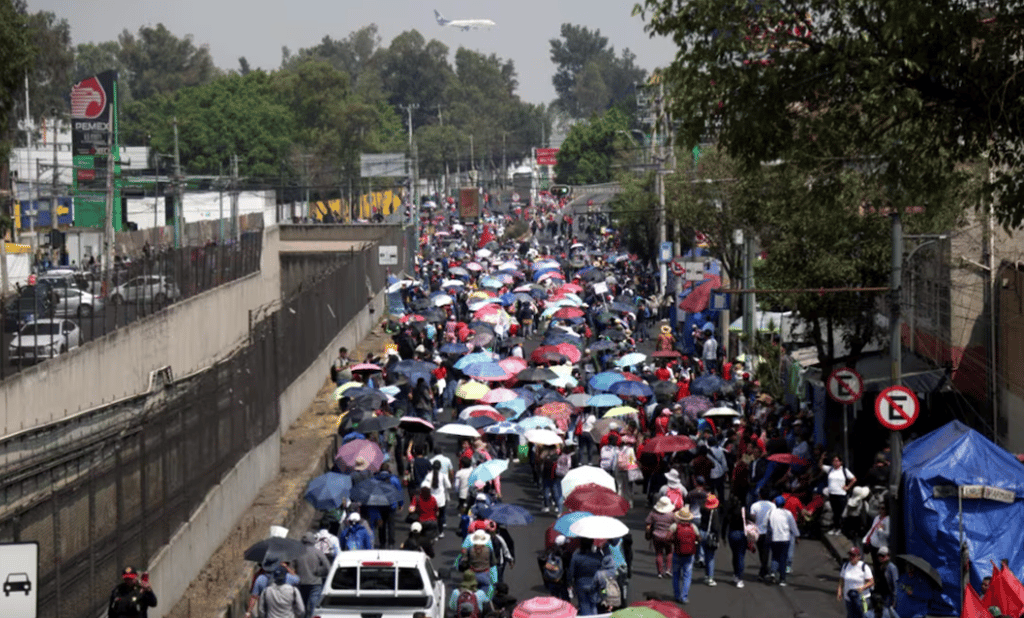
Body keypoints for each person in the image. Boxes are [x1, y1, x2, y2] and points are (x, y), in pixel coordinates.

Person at [295, 533, 331, 618]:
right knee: (313, 606)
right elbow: (327, 567)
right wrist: (320, 573)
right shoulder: (318, 552)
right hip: (315, 583)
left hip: (301, 583)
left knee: (302, 606)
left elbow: (291, 568)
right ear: (313, 541)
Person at [670, 506, 699, 604]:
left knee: (676, 576)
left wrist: (674, 541)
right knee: (687, 576)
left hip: (677, 553)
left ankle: (677, 595)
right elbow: (699, 538)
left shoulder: (675, 526)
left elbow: (667, 538)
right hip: (689, 554)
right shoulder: (693, 527)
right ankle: (684, 597)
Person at [767, 495, 799, 586]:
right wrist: (797, 535)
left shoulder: (771, 512)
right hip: (785, 539)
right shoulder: (788, 513)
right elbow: (793, 526)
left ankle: (773, 572)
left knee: (775, 556)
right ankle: (782, 579)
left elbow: (769, 525)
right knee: (783, 558)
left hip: (774, 538)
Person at [568, 537, 605, 616]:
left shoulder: (576, 556)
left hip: (580, 584)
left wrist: (570, 584)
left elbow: (571, 572)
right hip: (594, 584)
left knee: (584, 605)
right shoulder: (598, 556)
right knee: (593, 605)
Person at [823, 454, 856, 536]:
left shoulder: (844, 470)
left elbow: (853, 479)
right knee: (834, 512)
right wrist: (821, 458)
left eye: (837, 461)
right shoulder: (830, 469)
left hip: (841, 494)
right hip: (832, 494)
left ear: (841, 462)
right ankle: (835, 528)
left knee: (840, 512)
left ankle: (840, 529)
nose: (835, 462)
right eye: (834, 461)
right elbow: (820, 466)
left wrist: (848, 487)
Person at [645, 496, 677, 578]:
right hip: (668, 536)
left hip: (656, 536)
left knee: (659, 553)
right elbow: (676, 524)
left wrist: (648, 533)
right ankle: (668, 570)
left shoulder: (653, 513)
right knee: (669, 552)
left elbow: (648, 523)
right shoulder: (671, 515)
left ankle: (660, 572)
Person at [838, 547, 874, 618]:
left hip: (862, 599)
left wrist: (863, 588)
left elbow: (871, 582)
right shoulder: (845, 566)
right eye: (850, 555)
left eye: (853, 555)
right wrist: (839, 590)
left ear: (859, 557)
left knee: (863, 616)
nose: (851, 557)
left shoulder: (864, 567)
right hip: (849, 598)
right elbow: (842, 580)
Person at [749, 488, 776, 581]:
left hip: (757, 532)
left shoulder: (754, 506)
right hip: (768, 532)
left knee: (761, 552)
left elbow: (752, 518)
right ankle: (764, 571)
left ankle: (763, 571)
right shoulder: (772, 505)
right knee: (766, 553)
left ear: (760, 495)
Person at [725, 494, 751, 588]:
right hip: (741, 534)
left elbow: (724, 523)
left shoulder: (729, 511)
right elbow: (752, 518)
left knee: (734, 555)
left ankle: (736, 574)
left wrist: (723, 537)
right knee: (740, 556)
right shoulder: (742, 511)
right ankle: (740, 578)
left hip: (731, 534)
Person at [700, 493, 722, 586]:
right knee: (711, 557)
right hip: (710, 534)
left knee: (705, 555)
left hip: (702, 532)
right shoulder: (714, 513)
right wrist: (718, 538)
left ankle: (706, 575)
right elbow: (716, 527)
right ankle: (710, 578)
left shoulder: (702, 509)